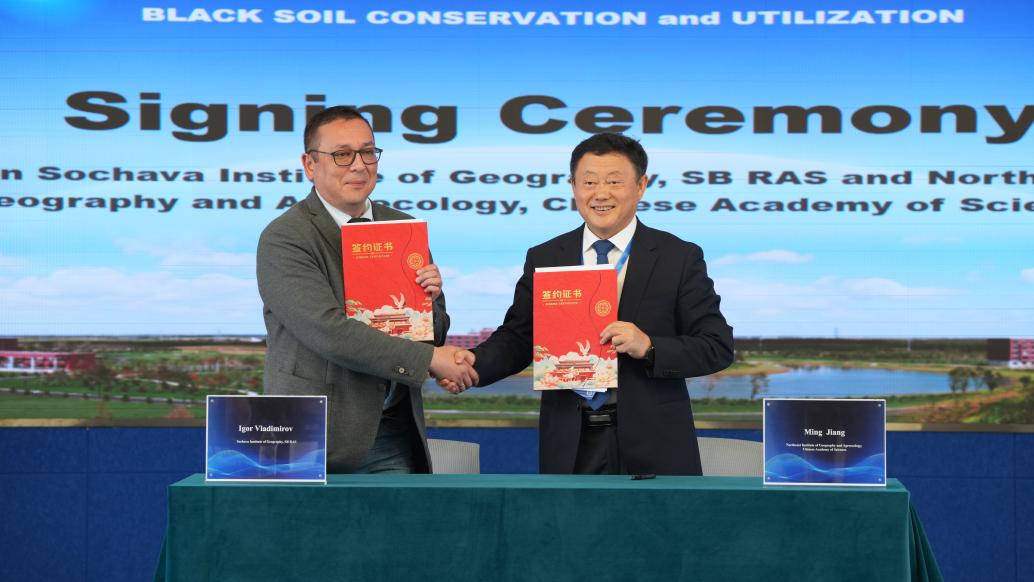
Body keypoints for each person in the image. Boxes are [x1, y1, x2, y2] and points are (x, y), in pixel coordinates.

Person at [444, 133, 733, 475]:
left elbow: (716, 346)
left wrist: (650, 346)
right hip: (570, 441)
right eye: (589, 182)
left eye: (614, 181)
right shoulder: (546, 257)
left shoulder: (678, 257)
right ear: (573, 186)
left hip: (654, 442)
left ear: (641, 186)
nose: (601, 193)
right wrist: (475, 364)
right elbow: (519, 338)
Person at [257, 106, 477, 474]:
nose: (359, 165)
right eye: (342, 154)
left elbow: (433, 330)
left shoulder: (402, 227)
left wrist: (430, 301)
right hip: (314, 436)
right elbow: (329, 332)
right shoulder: (285, 238)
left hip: (393, 431)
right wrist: (430, 361)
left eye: (368, 152)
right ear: (310, 165)